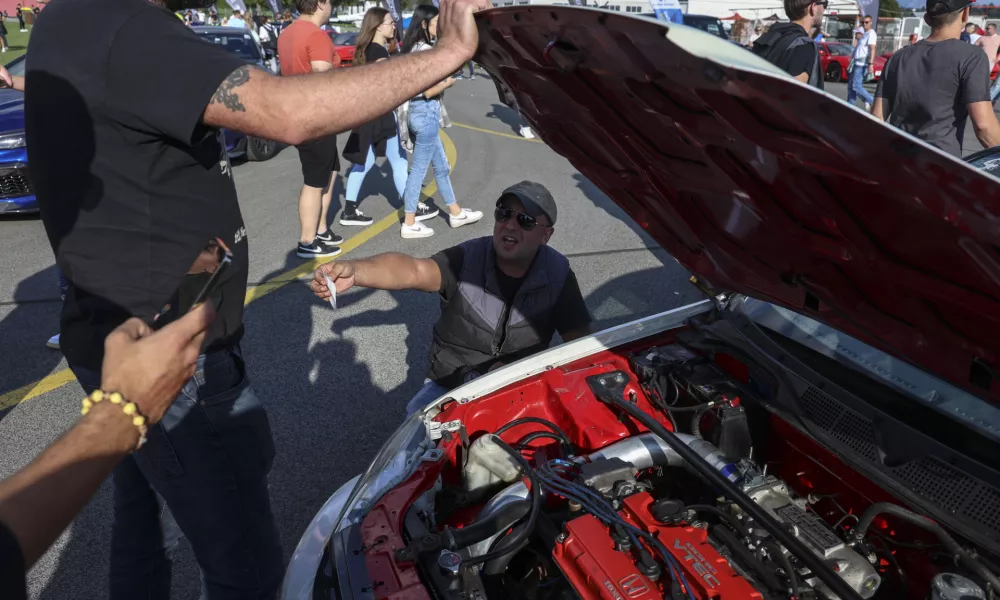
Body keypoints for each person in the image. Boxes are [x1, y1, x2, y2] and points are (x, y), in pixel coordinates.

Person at [21, 0, 487, 594]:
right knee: (242, 555)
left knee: (139, 526)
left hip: (113, 336)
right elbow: (287, 112)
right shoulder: (123, 25)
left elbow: (123, 163)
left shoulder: (70, 19)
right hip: (169, 359)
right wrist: (447, 52)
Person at [310, 181, 593, 415]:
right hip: (453, 384)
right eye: (504, 214)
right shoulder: (468, 258)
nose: (510, 224)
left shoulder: (558, 275)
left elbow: (580, 347)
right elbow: (413, 270)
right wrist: (356, 271)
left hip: (517, 389)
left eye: (525, 220)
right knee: (414, 444)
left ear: (546, 235)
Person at [0, 304, 215, 600]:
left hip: (93, 342)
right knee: (224, 522)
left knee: (140, 515)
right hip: (140, 353)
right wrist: (123, 412)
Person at [873, 0, 1000, 156]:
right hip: (938, 169)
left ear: (927, 18)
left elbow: (876, 119)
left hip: (898, 163)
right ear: (965, 13)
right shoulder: (971, 56)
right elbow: (984, 127)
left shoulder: (897, 58)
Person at [399, 4, 482, 239]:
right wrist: (448, 82)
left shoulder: (412, 48)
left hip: (421, 114)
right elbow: (424, 91)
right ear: (424, 24)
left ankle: (455, 212)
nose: (439, 27)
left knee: (442, 166)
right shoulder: (424, 49)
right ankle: (409, 222)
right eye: (436, 23)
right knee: (419, 170)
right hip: (425, 113)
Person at [279, 0, 348, 258]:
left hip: (301, 114)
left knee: (329, 174)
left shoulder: (287, 32)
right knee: (314, 181)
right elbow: (322, 78)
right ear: (320, 3)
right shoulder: (316, 35)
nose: (331, 6)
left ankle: (320, 229)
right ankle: (307, 240)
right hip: (316, 118)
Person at [340, 7, 407, 227]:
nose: (394, 26)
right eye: (390, 23)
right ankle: (411, 207)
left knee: (365, 162)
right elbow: (385, 84)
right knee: (398, 159)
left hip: (368, 114)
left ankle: (349, 210)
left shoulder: (367, 49)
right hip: (380, 114)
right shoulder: (378, 52)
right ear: (378, 26)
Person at [751, 0, 826, 89]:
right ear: (813, 7)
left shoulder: (769, 36)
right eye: (825, 4)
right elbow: (792, 96)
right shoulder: (804, 46)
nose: (824, 9)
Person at [848, 17, 877, 110]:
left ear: (871, 22)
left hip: (861, 64)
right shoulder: (865, 34)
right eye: (863, 22)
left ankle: (872, 101)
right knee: (851, 88)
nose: (864, 24)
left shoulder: (871, 34)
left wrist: (870, 64)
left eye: (866, 22)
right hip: (856, 63)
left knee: (856, 86)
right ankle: (849, 108)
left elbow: (872, 49)